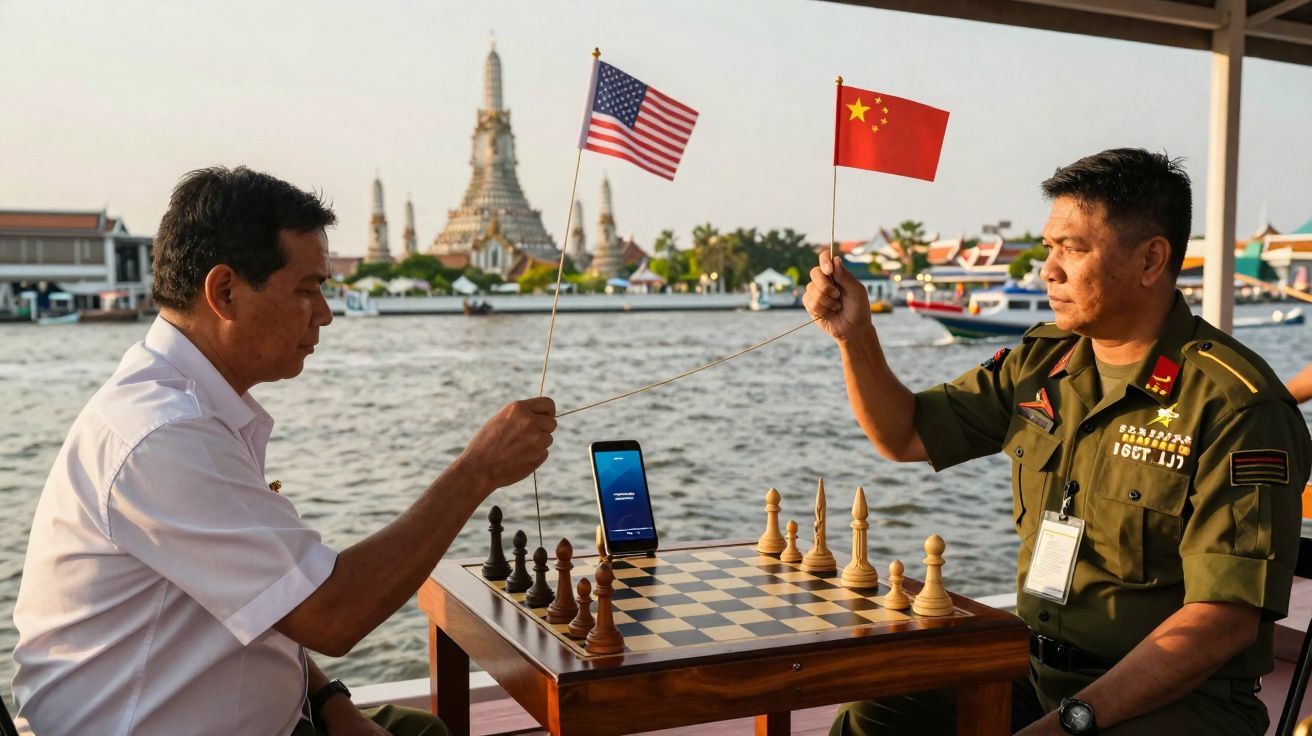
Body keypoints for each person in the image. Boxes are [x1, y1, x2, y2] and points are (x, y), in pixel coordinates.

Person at [10, 167, 557, 736]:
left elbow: (274, 594)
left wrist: (333, 705)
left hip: (276, 714)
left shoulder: (196, 407)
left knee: (422, 731)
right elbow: (331, 615)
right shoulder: (164, 434)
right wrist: (477, 471)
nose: (324, 313)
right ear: (224, 292)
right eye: (306, 289)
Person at [805, 149, 1311, 735]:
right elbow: (905, 434)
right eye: (1049, 247)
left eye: (1072, 248)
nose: (1048, 270)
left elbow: (1224, 619)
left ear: (1151, 259)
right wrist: (856, 337)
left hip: (1175, 702)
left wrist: (1069, 723)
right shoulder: (1041, 365)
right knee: (872, 719)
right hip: (1037, 671)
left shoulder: (1233, 405)